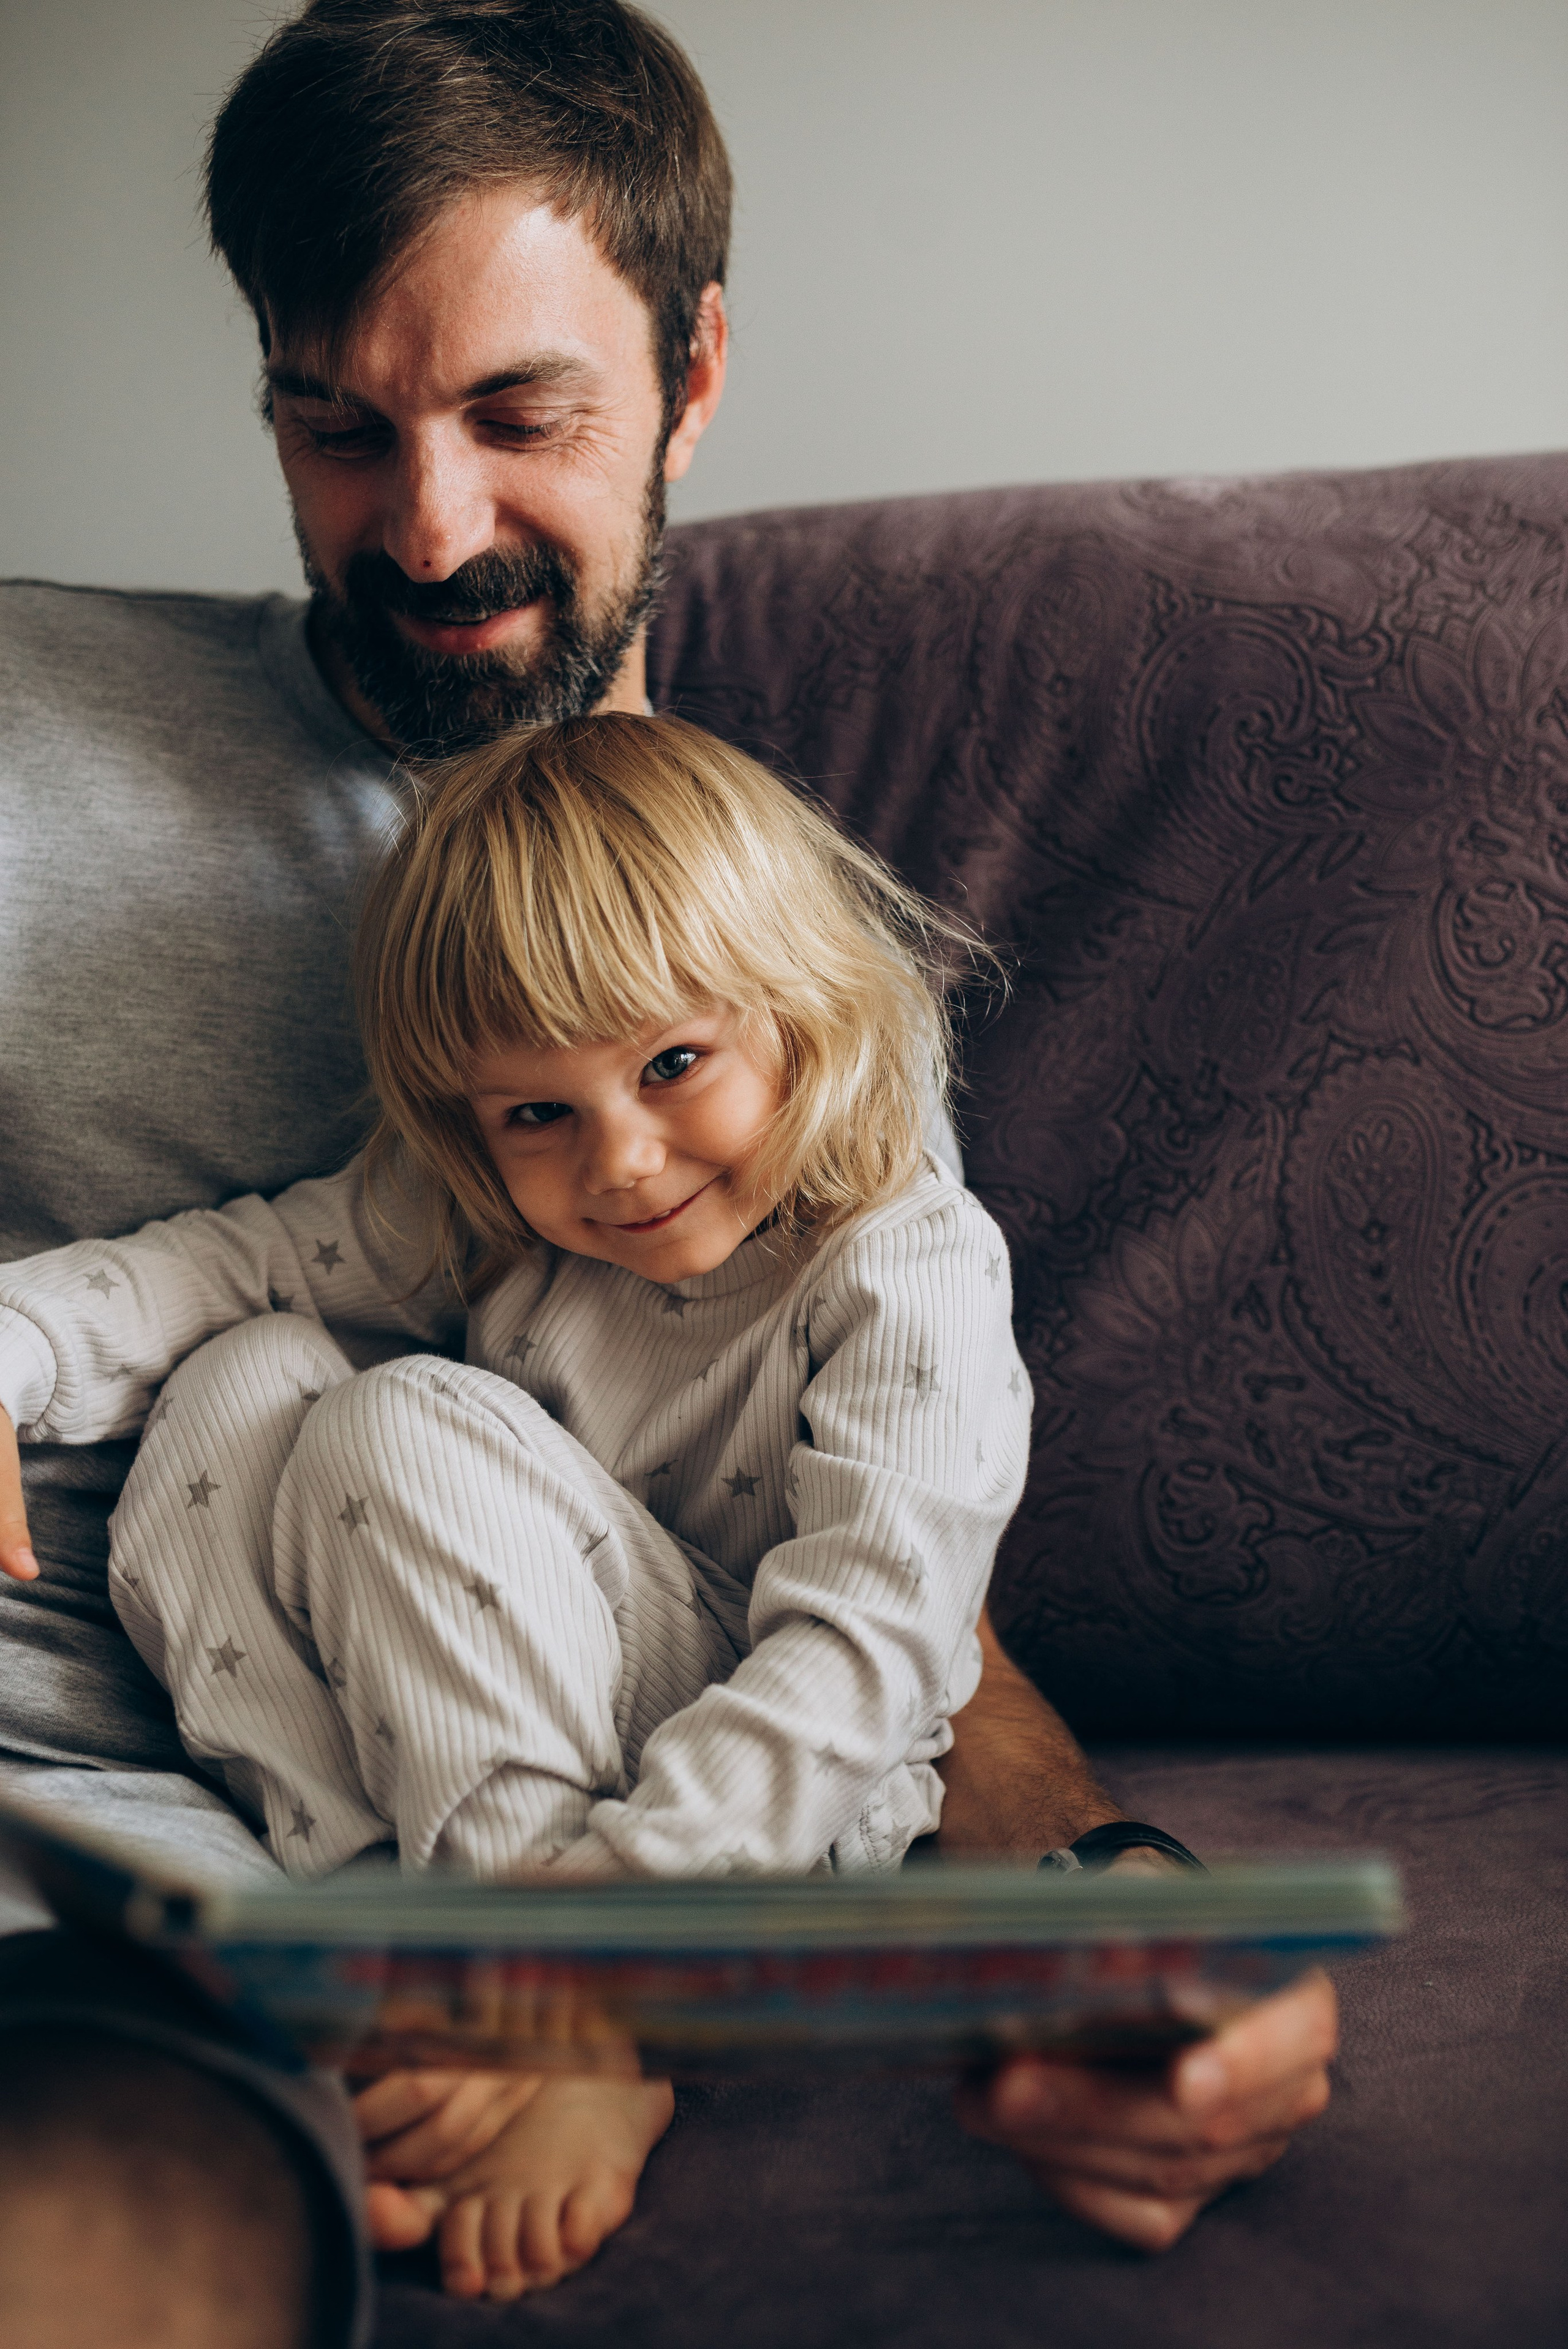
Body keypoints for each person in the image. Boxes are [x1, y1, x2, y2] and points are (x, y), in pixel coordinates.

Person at [0, 4, 1335, 2342]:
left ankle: (537, 1976)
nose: (425, 527)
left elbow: (868, 1586)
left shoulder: (789, 1013)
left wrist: (1114, 1914)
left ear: (693, 371)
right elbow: (260, 1260)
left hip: (193, 1912)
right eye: (339, 426)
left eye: (525, 416)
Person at [1, 711, 1032, 2294]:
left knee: (399, 1418)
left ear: (804, 1011)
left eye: (674, 1063)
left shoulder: (904, 1258)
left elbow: (864, 1653)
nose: (619, 1161)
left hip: (767, 1821)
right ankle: (378, 1934)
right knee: (248, 1365)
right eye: (535, 1112)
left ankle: (570, 2027)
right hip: (469, 1764)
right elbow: (225, 1260)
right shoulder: (486, 1213)